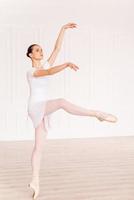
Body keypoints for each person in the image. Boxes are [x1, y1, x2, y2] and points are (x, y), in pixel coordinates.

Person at [26, 22, 117, 199]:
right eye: (37, 50)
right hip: (36, 106)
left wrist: (63, 29)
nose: (40, 52)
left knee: (38, 147)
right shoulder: (31, 71)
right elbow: (50, 72)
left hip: (43, 106)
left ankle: (35, 181)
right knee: (61, 102)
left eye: (40, 50)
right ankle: (97, 114)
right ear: (30, 54)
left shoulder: (43, 66)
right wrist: (66, 64)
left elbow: (57, 49)